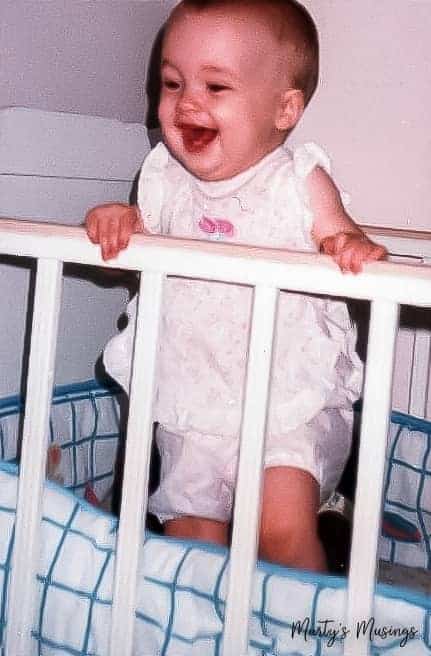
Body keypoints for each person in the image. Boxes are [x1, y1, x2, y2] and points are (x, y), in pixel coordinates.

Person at [86, 0, 386, 571]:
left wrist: (345, 242)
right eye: (172, 83)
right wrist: (120, 222)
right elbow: (132, 251)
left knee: (278, 531)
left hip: (285, 401)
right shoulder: (162, 179)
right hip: (194, 398)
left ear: (284, 108)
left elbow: (339, 234)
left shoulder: (297, 181)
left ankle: (302, 631)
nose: (187, 101)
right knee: (192, 546)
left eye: (216, 86)